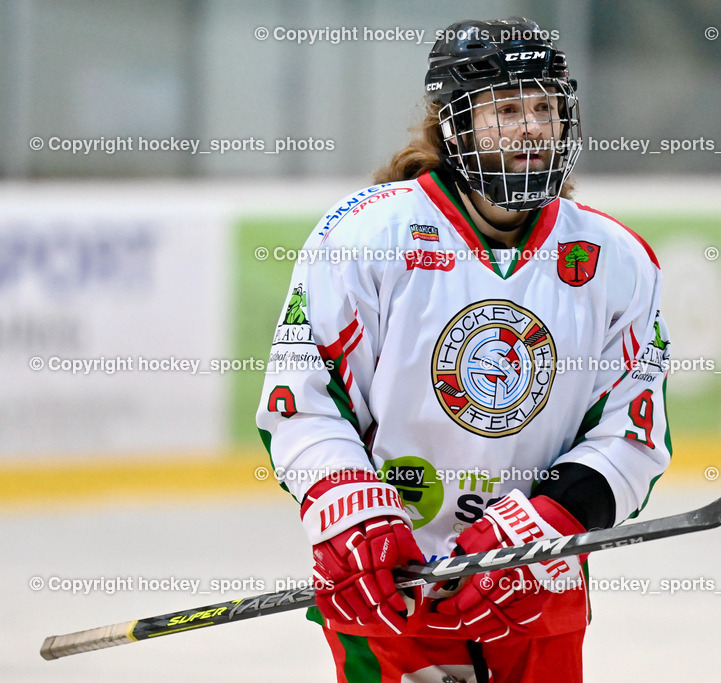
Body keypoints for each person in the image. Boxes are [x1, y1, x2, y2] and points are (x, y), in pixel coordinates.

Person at [256, 16, 672, 683]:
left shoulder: (614, 260)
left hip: (536, 595)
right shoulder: (367, 234)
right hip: (387, 591)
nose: (533, 127)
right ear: (454, 124)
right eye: (506, 109)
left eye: (545, 107)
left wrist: (549, 522)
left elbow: (634, 431)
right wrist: (350, 513)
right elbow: (303, 400)